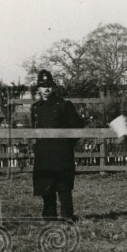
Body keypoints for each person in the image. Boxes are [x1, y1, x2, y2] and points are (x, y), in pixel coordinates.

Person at [30, 69, 85, 221]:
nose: (46, 89)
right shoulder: (35, 108)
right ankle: (49, 216)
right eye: (43, 86)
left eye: (49, 85)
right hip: (43, 153)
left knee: (63, 186)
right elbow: (34, 131)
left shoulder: (64, 105)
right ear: (38, 88)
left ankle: (67, 216)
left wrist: (66, 145)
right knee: (45, 184)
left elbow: (78, 128)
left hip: (62, 153)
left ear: (53, 87)